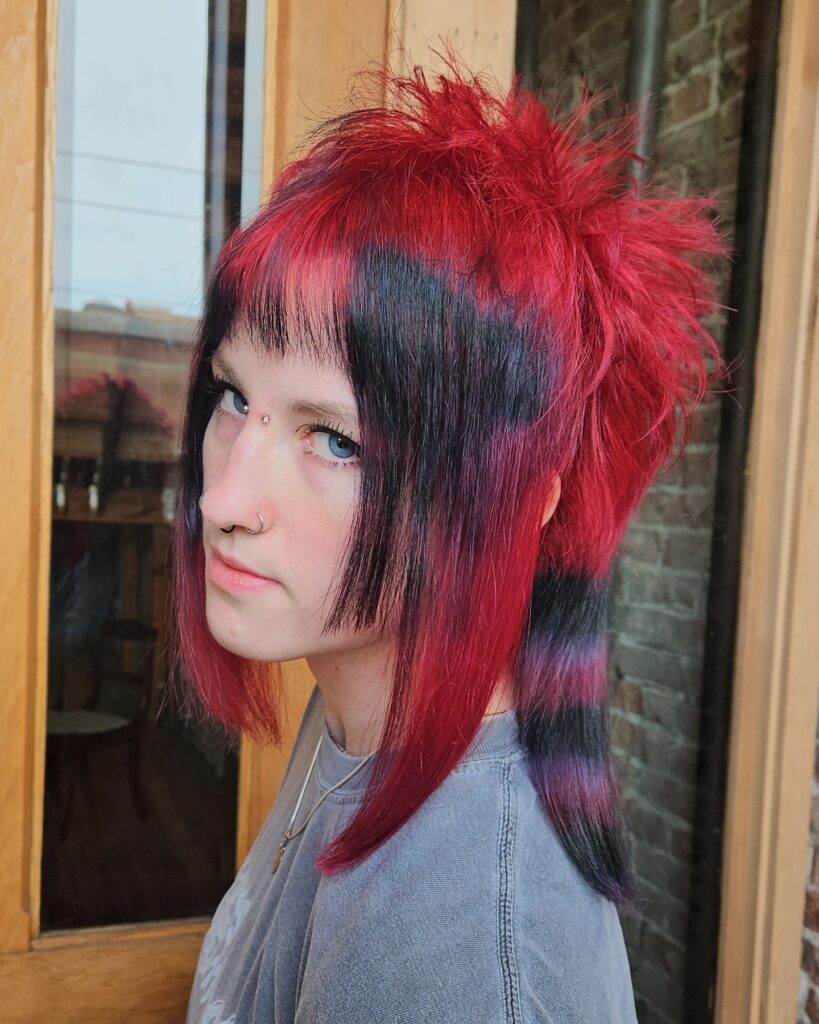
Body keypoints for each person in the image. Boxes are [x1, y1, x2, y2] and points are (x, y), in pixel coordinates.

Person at [174, 52, 728, 1023]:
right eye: (233, 395)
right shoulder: (356, 704)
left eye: (335, 438)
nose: (223, 497)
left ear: (524, 500)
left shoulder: (470, 960)